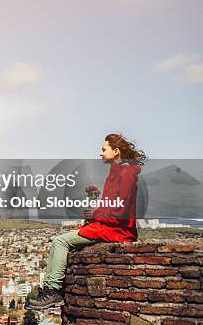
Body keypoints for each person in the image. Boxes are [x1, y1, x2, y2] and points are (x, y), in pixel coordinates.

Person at [25, 133, 146, 310]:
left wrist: (94, 215)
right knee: (61, 240)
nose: (101, 153)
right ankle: (49, 290)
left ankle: (54, 291)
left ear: (117, 151)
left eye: (104, 149)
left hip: (117, 230)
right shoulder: (117, 171)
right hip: (107, 226)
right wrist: (94, 213)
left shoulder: (126, 173)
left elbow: (120, 210)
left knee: (61, 242)